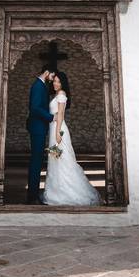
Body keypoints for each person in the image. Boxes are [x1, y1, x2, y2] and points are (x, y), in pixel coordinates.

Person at [41, 71, 101, 206]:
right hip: (54, 128)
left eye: (59, 81)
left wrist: (57, 133)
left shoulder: (61, 94)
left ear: (63, 84)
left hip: (59, 129)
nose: (56, 83)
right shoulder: (56, 94)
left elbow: (61, 114)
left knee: (63, 160)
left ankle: (67, 192)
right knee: (55, 159)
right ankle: (56, 190)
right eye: (55, 81)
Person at [25, 66, 54, 204]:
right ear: (47, 72)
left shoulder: (41, 86)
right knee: (36, 162)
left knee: (37, 161)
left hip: (39, 127)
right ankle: (32, 197)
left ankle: (33, 194)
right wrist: (50, 117)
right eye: (52, 76)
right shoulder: (38, 86)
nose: (53, 79)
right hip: (37, 128)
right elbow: (35, 108)